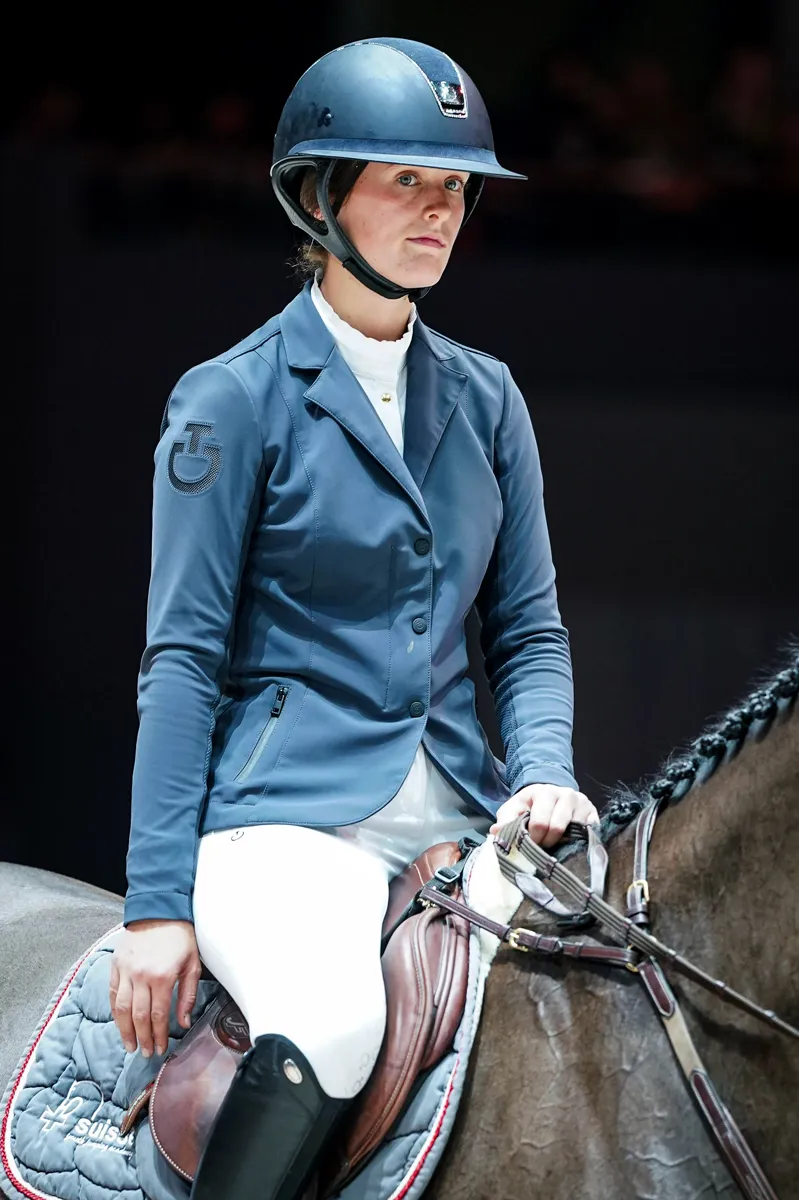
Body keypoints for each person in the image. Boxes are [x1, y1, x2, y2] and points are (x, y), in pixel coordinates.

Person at [109, 36, 599, 1200]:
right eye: (406, 182)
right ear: (321, 196)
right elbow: (180, 662)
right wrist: (154, 905)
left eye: (456, 188)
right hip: (283, 824)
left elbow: (526, 629)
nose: (440, 212)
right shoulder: (231, 399)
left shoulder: (486, 400)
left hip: (456, 813)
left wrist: (543, 768)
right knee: (329, 1020)